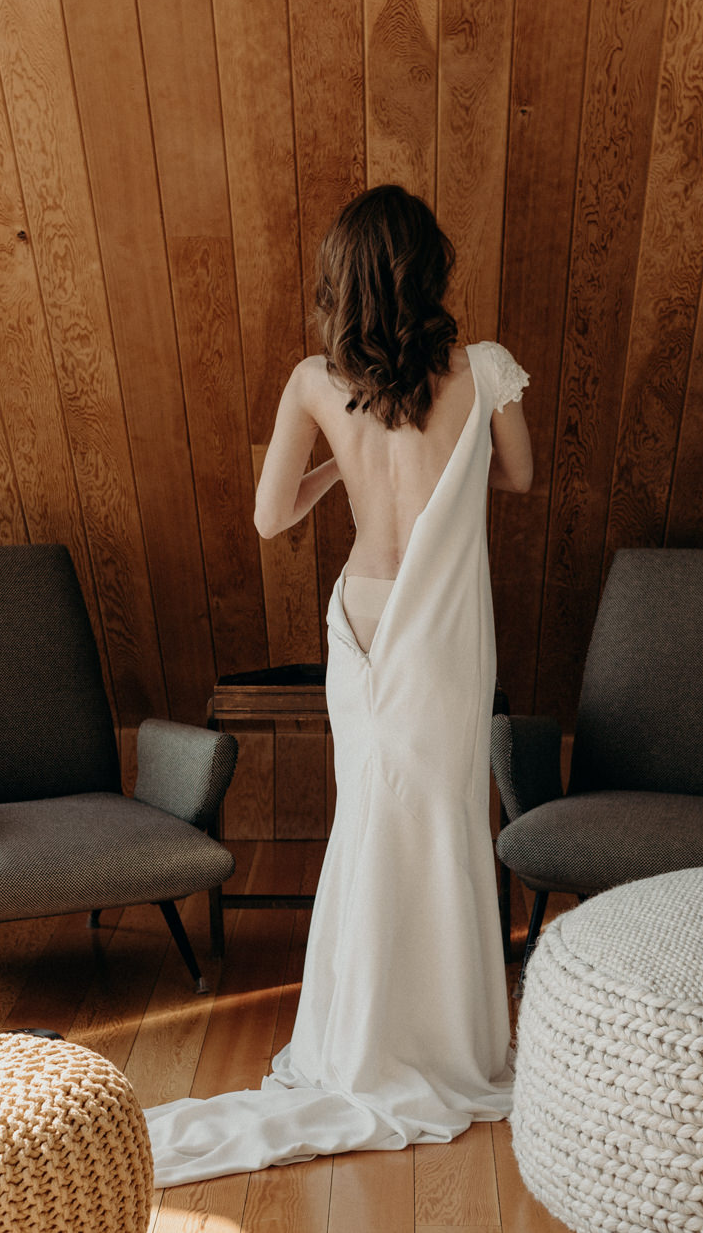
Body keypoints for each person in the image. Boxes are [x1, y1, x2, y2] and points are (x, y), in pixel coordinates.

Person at [144, 184, 534, 1187]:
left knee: (367, 819)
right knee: (444, 815)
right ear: (429, 269)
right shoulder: (481, 369)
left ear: (340, 281)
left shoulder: (315, 383)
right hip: (442, 624)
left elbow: (273, 516)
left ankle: (358, 1035)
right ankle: (446, 1036)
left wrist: (338, 470)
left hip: (361, 612)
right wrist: (452, 453)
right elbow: (513, 479)